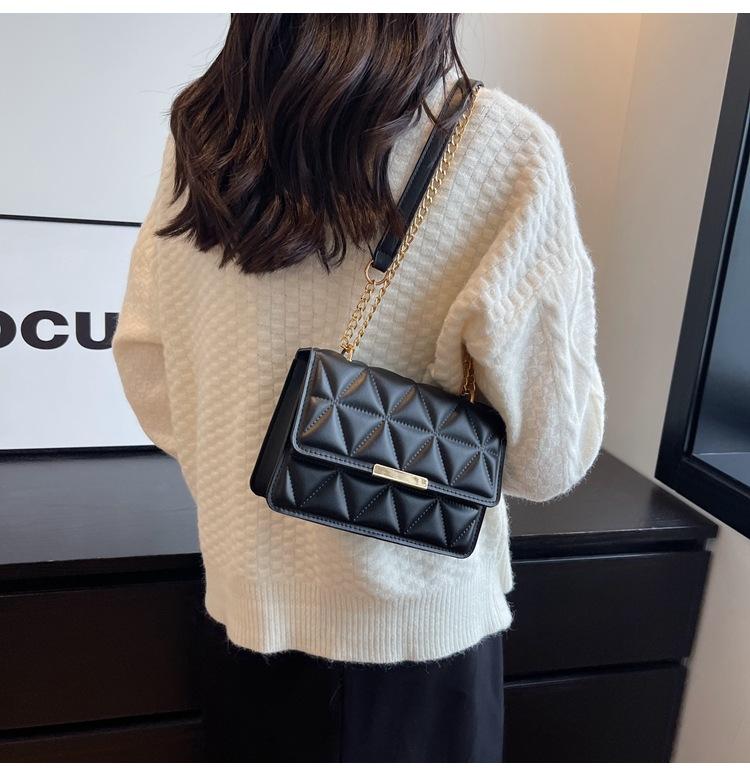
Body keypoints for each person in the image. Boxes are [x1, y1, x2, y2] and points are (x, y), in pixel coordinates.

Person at [113, 13, 605, 763]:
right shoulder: (502, 148)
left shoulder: (204, 138)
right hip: (418, 640)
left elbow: (147, 365)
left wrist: (254, 471)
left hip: (246, 618)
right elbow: (550, 457)